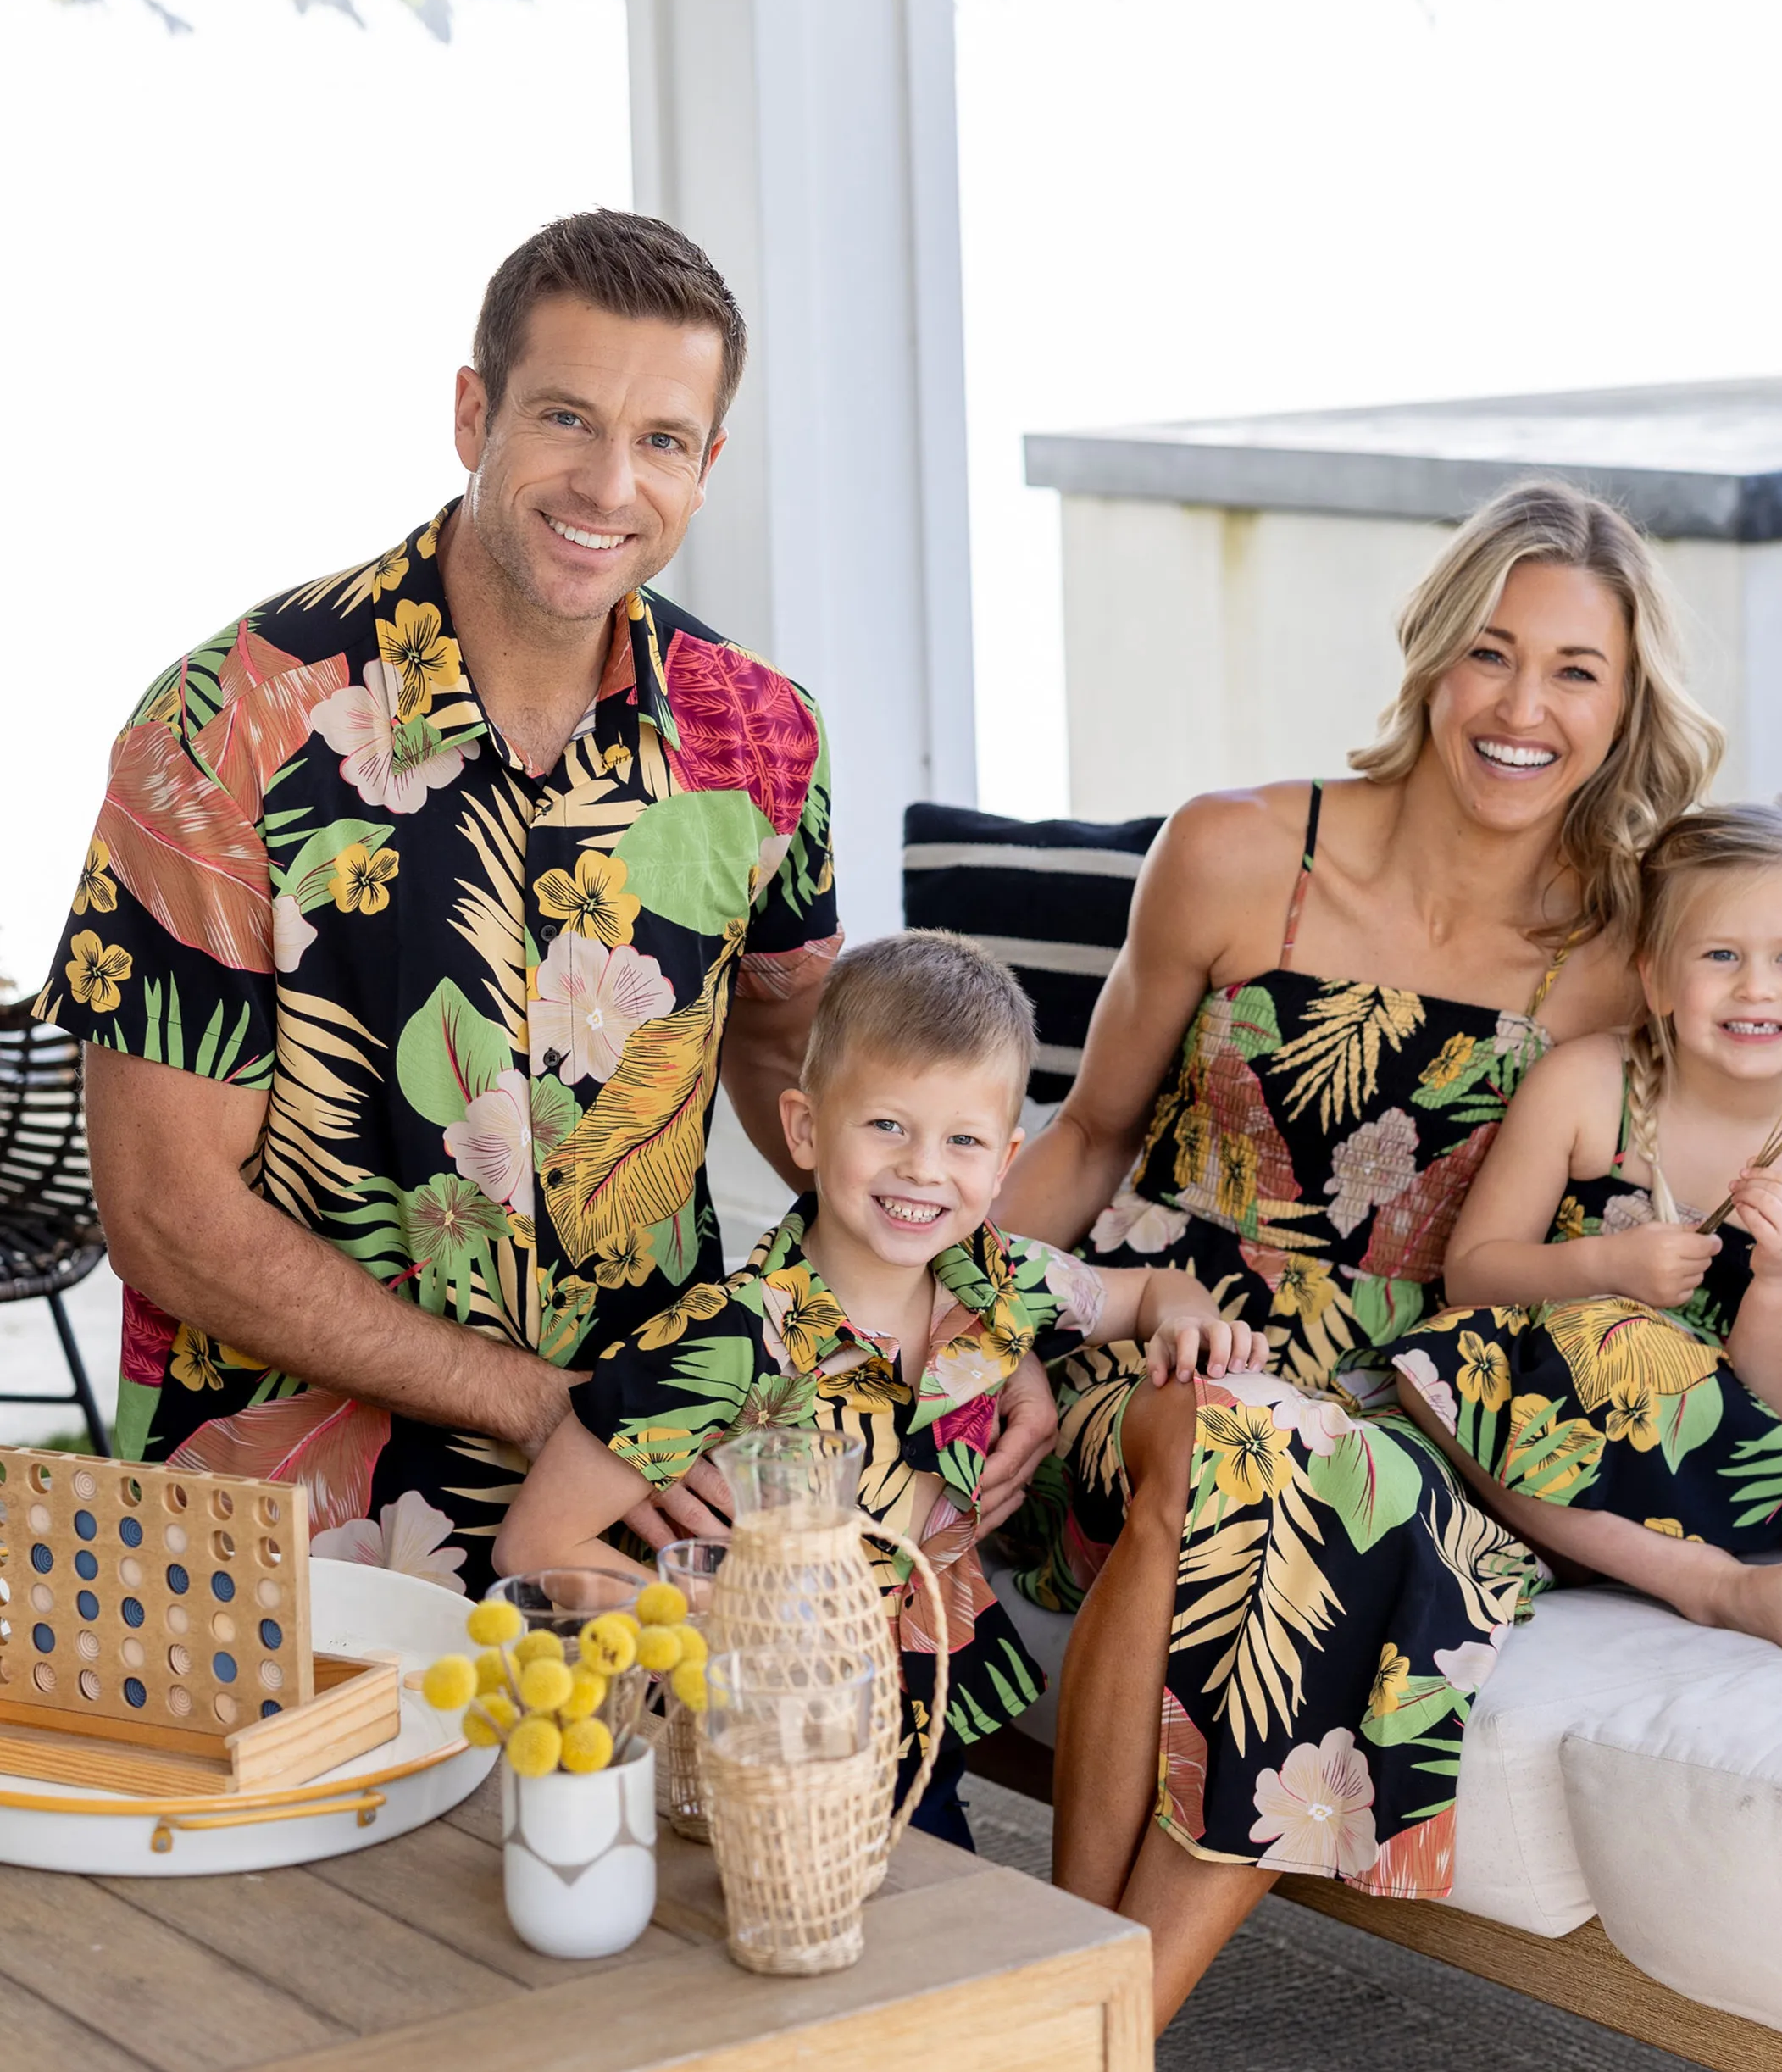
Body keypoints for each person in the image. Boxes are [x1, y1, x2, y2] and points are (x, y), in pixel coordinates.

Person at [36, 208, 1054, 1592]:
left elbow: (798, 1052)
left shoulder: (760, 735)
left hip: (654, 1498)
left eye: (663, 441)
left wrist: (968, 1332)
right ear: (475, 414)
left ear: (707, 469)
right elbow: (160, 1207)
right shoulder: (227, 722)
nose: (610, 484)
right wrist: (535, 1402)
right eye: (568, 419)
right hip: (285, 1520)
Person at [992, 478, 1782, 2036]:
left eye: (1575, 672)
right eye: (1489, 653)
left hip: (1430, 1408)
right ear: (1428, 658)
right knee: (1218, 1440)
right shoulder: (1232, 854)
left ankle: (1077, 2043)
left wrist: (1767, 1415)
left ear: (1624, 706)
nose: (1522, 706)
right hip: (1170, 1336)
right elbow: (1081, 1137)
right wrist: (962, 1338)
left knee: (1336, 1491)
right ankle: (1071, 2000)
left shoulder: (1631, 947)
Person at [498, 930, 1268, 1843]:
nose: (923, 1167)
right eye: (887, 1125)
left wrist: (1186, 1319)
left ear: (1005, 1156)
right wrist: (729, 1617)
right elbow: (535, 1543)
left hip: (909, 1717)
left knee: (933, 1930)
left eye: (964, 1139)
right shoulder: (724, 1337)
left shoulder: (1006, 1280)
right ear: (806, 1128)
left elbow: (1148, 1294)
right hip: (732, 1742)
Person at [1391, 794, 1782, 1650]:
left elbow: (1777, 1402)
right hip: (1541, 1432)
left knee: (1737, 1410)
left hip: (1698, 1443)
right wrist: (1604, 1267)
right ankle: (1710, 1580)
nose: (1756, 985)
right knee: (1430, 1371)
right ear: (1654, 975)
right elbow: (1471, 1274)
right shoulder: (1588, 1085)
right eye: (1719, 953)